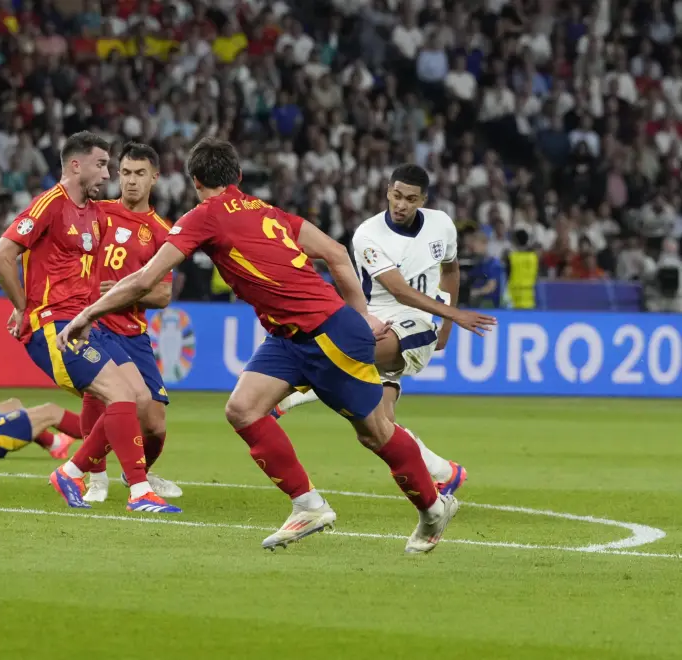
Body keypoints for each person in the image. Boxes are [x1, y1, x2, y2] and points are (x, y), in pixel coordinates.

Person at [58, 138, 496, 552]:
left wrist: (86, 314)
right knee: (243, 408)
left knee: (376, 433)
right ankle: (308, 506)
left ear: (195, 183)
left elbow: (145, 279)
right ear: (239, 175)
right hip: (288, 336)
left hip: (326, 332)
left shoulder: (203, 216)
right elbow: (337, 254)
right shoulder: (269, 211)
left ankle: (434, 508)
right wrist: (361, 313)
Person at [0, 131, 181, 514]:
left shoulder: (94, 213)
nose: (111, 176)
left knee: (141, 400)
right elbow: (0, 255)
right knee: (120, 397)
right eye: (104, 166)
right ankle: (133, 489)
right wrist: (23, 306)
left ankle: (75, 471)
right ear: (76, 165)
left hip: (86, 323)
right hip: (54, 325)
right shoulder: (50, 204)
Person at [273, 165, 480, 497]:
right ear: (387, 191)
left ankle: (290, 396)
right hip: (374, 323)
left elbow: (451, 269)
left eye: (411, 199)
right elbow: (397, 289)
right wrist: (453, 313)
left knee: (350, 355)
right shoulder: (367, 235)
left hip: (418, 323)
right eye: (396, 196)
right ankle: (445, 471)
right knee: (375, 429)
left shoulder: (441, 224)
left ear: (423, 200)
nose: (401, 205)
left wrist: (447, 325)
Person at [73, 142, 182, 503]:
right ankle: (95, 477)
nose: (131, 181)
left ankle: (136, 472)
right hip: (95, 325)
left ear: (154, 177)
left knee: (154, 422)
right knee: (98, 396)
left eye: (139, 174)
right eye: (125, 173)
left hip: (133, 332)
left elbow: (163, 296)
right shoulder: (95, 212)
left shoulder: (162, 231)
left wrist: (124, 292)